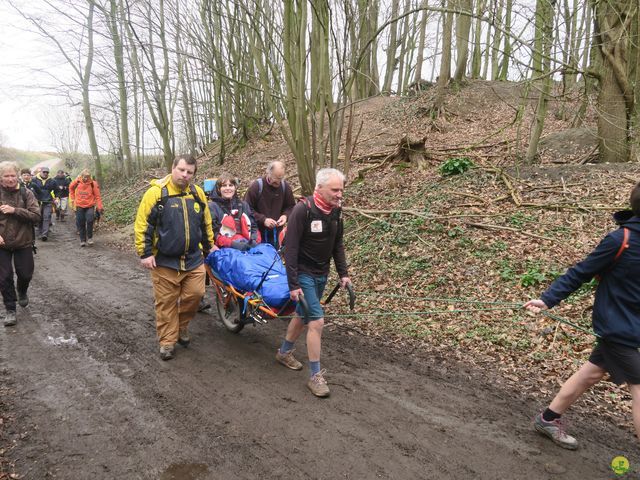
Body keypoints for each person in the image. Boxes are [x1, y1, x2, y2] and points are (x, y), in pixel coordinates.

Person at [524, 182, 640, 450]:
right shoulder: (619, 240)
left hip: (632, 327)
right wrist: (548, 299)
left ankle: (547, 419)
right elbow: (581, 272)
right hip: (617, 327)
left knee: (592, 372)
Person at [277, 168, 351, 397]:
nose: (340, 194)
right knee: (316, 322)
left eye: (341, 189)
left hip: (322, 272)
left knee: (302, 314)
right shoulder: (303, 210)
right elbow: (290, 249)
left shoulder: (336, 212)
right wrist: (293, 284)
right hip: (302, 273)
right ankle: (315, 376)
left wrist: (343, 273)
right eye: (335, 190)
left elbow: (337, 244)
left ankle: (284, 352)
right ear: (319, 188)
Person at [134, 154, 215, 361]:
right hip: (165, 261)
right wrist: (144, 253)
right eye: (181, 170)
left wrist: (209, 247)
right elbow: (143, 224)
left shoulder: (197, 194)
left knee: (195, 296)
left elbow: (205, 222)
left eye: (189, 172)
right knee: (166, 303)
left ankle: (181, 326)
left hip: (193, 259)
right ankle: (167, 341)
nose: (185, 175)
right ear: (173, 168)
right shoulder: (156, 194)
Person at [0, 162, 41, 327]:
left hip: (23, 241)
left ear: (17, 176)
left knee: (25, 274)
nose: (10, 179)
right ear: (1, 177)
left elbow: (36, 216)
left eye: (12, 175)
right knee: (4, 278)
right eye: (6, 176)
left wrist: (15, 210)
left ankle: (22, 289)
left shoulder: (26, 193)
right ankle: (10, 310)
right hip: (2, 244)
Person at [244, 161, 295, 248]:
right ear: (268, 173)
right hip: (258, 234)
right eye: (276, 178)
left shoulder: (284, 187)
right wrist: (263, 220)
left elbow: (291, 206)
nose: (278, 182)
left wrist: (285, 216)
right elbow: (246, 209)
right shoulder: (256, 187)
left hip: (277, 234)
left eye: (281, 178)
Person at [209, 173, 260, 250]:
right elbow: (212, 232)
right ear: (219, 189)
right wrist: (231, 243)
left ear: (235, 187)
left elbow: (253, 226)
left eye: (230, 185)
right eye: (224, 185)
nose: (228, 188)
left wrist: (254, 240)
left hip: (246, 244)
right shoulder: (212, 207)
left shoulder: (243, 205)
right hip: (223, 248)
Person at [69, 169, 103, 247]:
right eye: (84, 177)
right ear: (81, 176)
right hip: (79, 205)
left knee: (90, 220)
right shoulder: (76, 182)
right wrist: (73, 198)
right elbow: (71, 188)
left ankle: (90, 238)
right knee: (81, 222)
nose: (86, 179)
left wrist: (99, 206)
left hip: (90, 205)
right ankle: (83, 240)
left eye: (87, 177)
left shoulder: (93, 184)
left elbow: (97, 196)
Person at [32, 166, 56, 241]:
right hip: (37, 201)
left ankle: (44, 234)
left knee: (47, 216)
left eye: (47, 172)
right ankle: (39, 232)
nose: (45, 173)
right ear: (40, 172)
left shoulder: (52, 181)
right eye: (44, 172)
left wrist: (57, 197)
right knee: (39, 217)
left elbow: (57, 190)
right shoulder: (34, 180)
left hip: (48, 201)